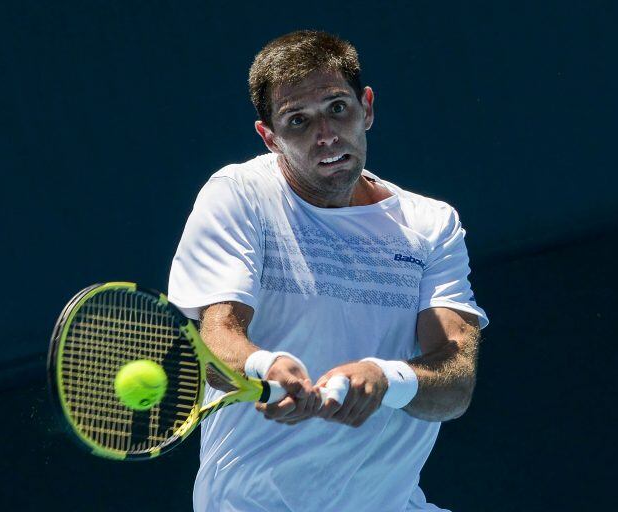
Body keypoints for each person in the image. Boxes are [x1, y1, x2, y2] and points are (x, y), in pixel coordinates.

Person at [168, 29, 489, 512]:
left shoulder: (431, 225)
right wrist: (264, 366)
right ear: (269, 137)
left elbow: (456, 382)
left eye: (337, 108)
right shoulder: (239, 195)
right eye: (298, 121)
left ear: (368, 107)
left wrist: (386, 378)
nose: (326, 135)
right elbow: (216, 339)